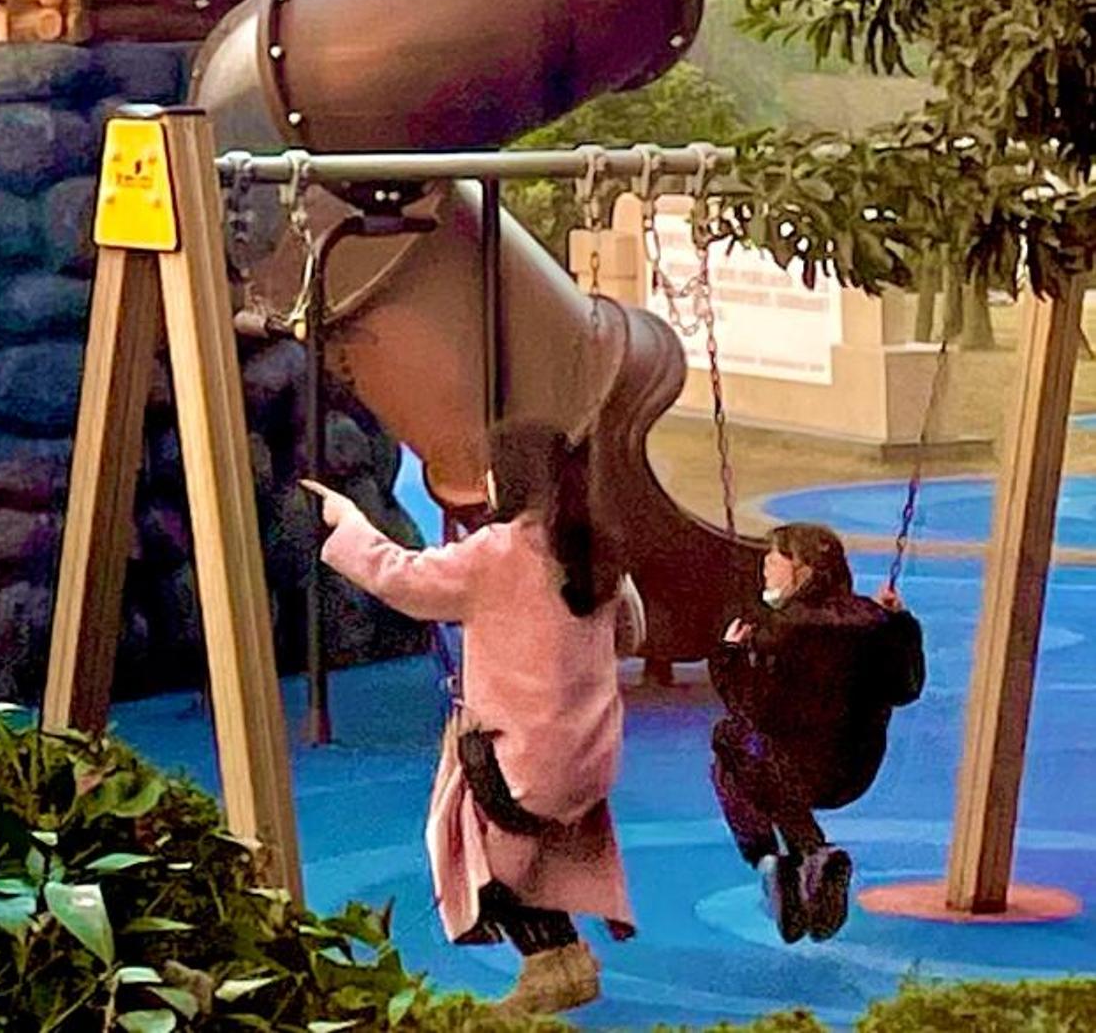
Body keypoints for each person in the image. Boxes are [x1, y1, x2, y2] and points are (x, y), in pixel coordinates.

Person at [307, 418, 640, 1020]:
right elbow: (631, 631)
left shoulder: (498, 552)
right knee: (525, 848)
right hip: (590, 759)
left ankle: (551, 961)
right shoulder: (597, 547)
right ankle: (565, 961)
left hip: (523, 764)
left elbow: (403, 579)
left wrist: (351, 524)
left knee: (464, 841)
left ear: (510, 477)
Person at [709, 520, 924, 943]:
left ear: (803, 569)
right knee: (748, 756)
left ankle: (782, 857)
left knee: (728, 742)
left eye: (776, 557)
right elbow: (906, 689)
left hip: (793, 777)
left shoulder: (778, 630)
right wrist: (901, 625)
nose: (765, 565)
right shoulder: (875, 621)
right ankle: (801, 860)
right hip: (856, 772)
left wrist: (729, 654)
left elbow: (748, 708)